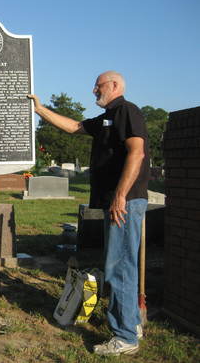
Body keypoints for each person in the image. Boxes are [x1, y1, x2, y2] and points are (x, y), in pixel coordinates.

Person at [28, 70, 149, 356]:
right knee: (123, 266)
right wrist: (40, 109)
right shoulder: (108, 116)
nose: (94, 90)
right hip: (119, 202)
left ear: (115, 86)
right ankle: (131, 325)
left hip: (125, 202)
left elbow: (137, 153)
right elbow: (73, 127)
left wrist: (120, 196)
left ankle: (124, 337)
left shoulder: (126, 111)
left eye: (99, 85)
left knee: (118, 268)